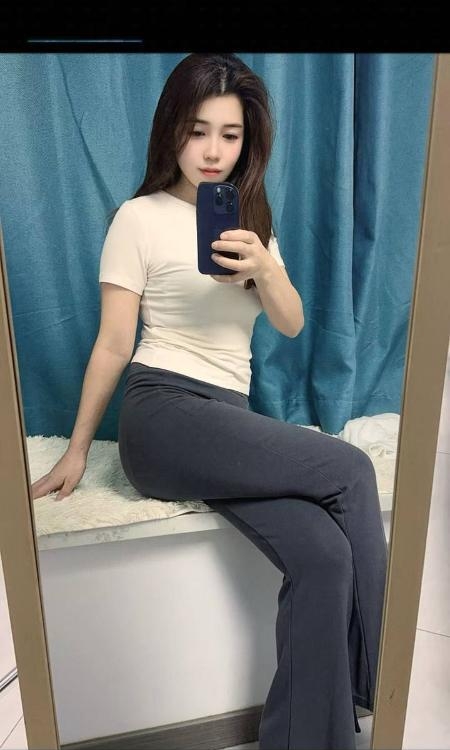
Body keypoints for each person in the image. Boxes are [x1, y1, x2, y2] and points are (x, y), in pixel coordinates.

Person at [32, 53, 388, 750]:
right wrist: (77, 449)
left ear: (247, 142)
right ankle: (386, 680)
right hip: (163, 414)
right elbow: (113, 343)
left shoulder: (252, 224)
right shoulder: (137, 218)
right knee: (351, 469)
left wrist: (266, 268)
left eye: (230, 134)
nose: (213, 150)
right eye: (198, 131)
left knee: (323, 555)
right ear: (172, 130)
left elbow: (291, 323)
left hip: (225, 422)